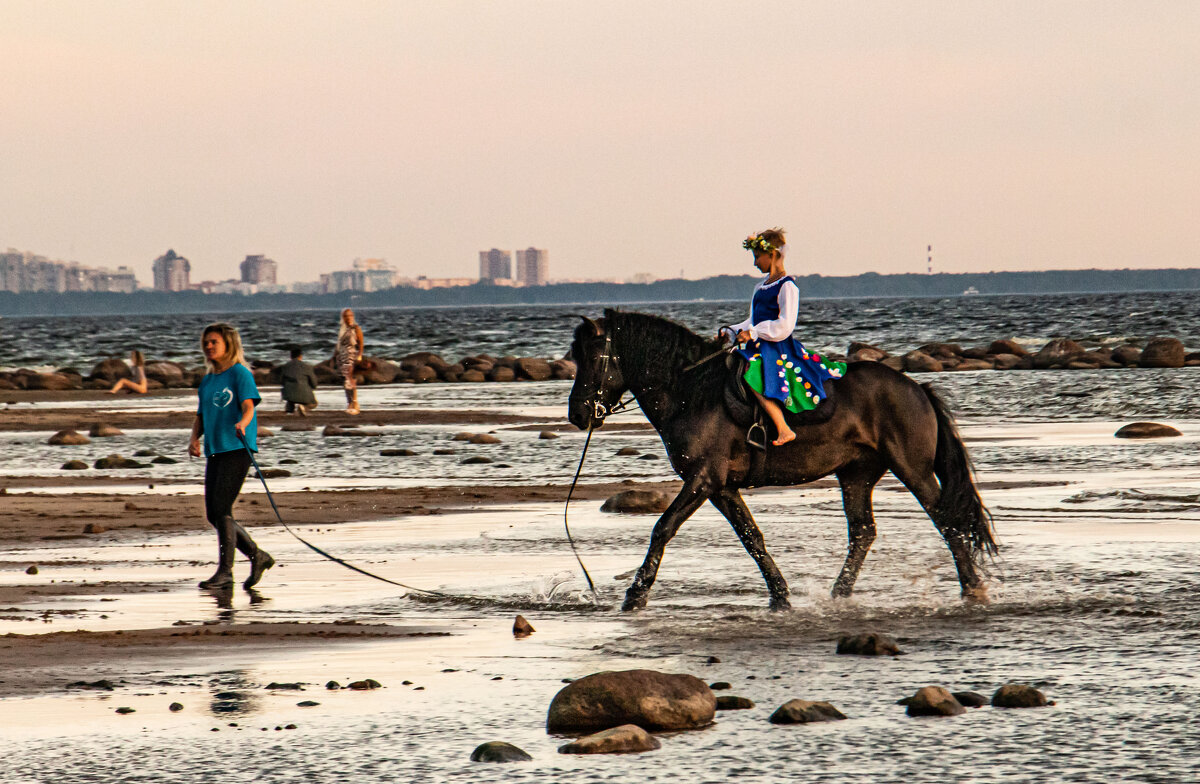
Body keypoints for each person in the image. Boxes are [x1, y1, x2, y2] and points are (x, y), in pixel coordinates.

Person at [719, 227, 847, 446]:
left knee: (751, 373)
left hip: (777, 347)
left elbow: (785, 325)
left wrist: (755, 333)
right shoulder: (760, 287)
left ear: (773, 255)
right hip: (759, 343)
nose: (755, 263)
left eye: (757, 257)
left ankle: (783, 428)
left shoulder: (788, 285)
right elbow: (752, 321)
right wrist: (731, 331)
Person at [187, 322, 275, 590]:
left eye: (214, 342)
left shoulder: (240, 374)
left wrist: (244, 423)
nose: (209, 346)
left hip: (237, 449)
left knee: (222, 509)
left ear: (228, 345)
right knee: (214, 514)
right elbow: (201, 415)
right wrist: (193, 438)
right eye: (206, 342)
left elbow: (248, 407)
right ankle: (257, 556)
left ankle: (225, 572)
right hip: (215, 449)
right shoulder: (208, 380)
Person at [334, 308, 364, 415]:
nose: (348, 318)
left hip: (351, 356)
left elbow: (360, 343)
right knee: (345, 381)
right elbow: (338, 345)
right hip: (342, 357)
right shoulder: (342, 329)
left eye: (350, 315)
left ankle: (355, 403)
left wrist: (359, 355)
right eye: (346, 316)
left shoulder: (356, 328)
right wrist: (334, 357)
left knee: (350, 380)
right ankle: (349, 402)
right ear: (343, 317)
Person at [280, 346, 318, 416]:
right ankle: (303, 407)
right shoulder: (307, 366)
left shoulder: (285, 366)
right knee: (314, 403)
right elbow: (314, 383)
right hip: (304, 392)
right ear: (300, 356)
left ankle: (289, 410)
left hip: (289, 394)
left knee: (290, 401)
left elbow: (281, 381)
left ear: (291, 356)